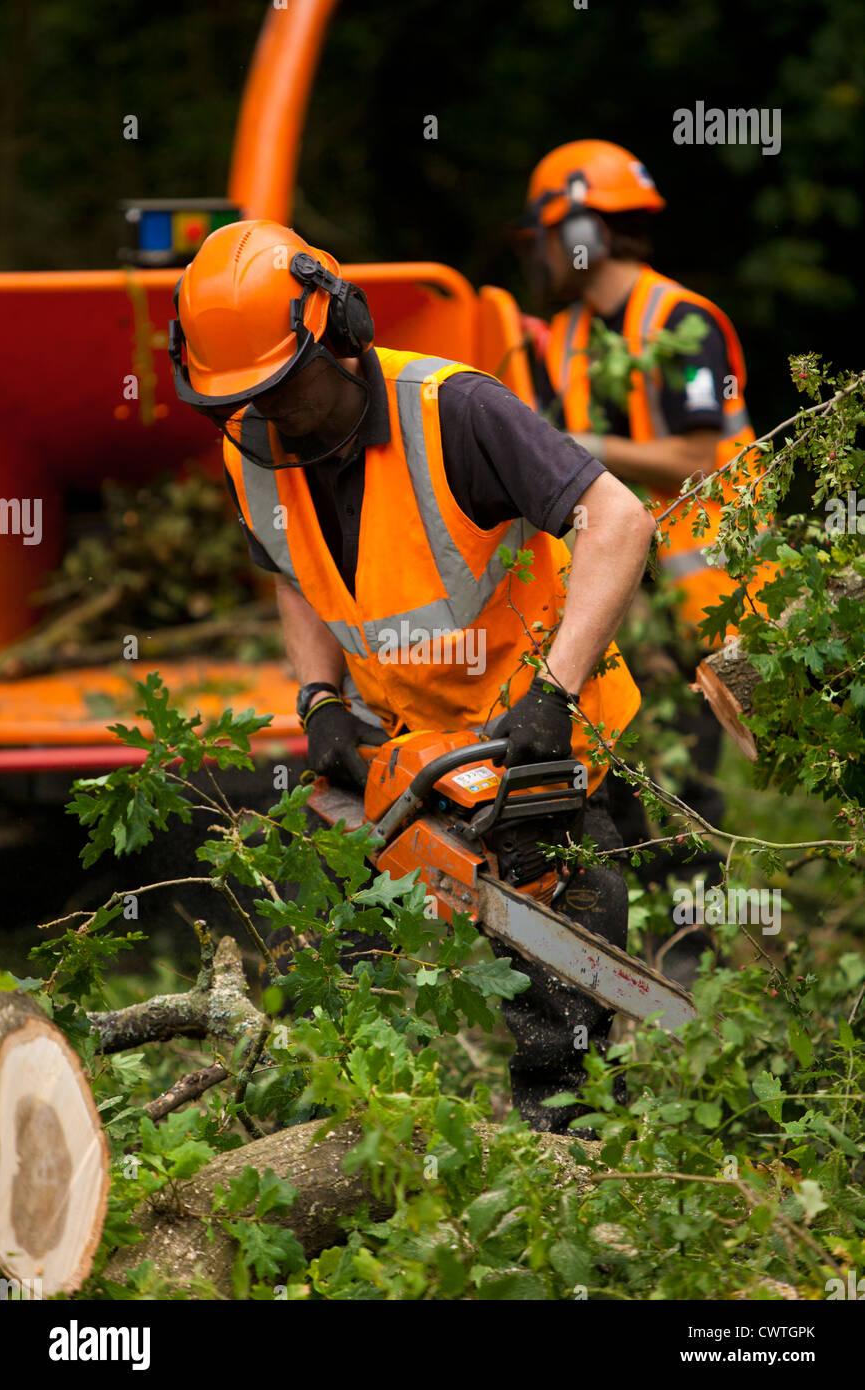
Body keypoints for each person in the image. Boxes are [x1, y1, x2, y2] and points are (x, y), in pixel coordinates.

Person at [170, 219, 655, 1133]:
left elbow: (619, 520)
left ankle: (575, 1159)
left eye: (286, 389)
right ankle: (348, 1141)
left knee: (562, 989)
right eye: (249, 400)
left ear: (342, 333)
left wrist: (551, 695)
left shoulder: (457, 411)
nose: (274, 416)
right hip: (406, 745)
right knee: (342, 963)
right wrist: (318, 699)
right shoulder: (257, 448)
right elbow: (292, 572)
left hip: (536, 731)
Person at [514, 140, 775, 985]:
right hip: (620, 606)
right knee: (623, 794)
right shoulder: (567, 336)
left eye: (548, 236)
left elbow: (699, 456)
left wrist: (575, 446)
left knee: (687, 796)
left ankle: (695, 979)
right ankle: (631, 971)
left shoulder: (682, 323)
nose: (543, 255)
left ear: (579, 229)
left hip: (709, 607)